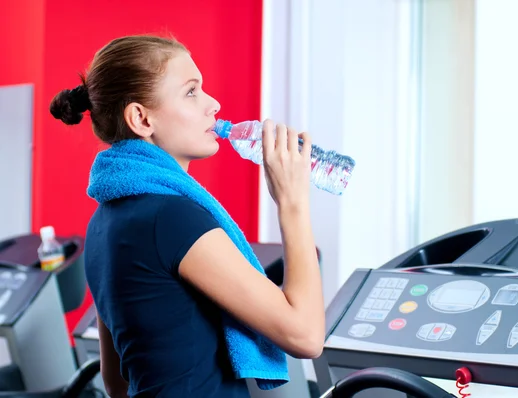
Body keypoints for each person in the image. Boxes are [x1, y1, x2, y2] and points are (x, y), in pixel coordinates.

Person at [49, 34, 324, 398]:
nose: (214, 104)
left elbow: (116, 383)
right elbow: (304, 336)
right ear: (141, 118)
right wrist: (293, 202)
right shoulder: (171, 219)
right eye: (191, 92)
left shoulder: (103, 222)